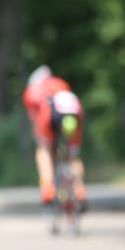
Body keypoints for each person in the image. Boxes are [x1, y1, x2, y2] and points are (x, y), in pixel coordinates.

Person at [21, 66, 87, 208]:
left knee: (44, 149)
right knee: (72, 156)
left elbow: (35, 119)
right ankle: (79, 190)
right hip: (74, 113)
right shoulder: (60, 83)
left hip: (50, 114)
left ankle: (48, 188)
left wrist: (44, 140)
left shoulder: (32, 89)